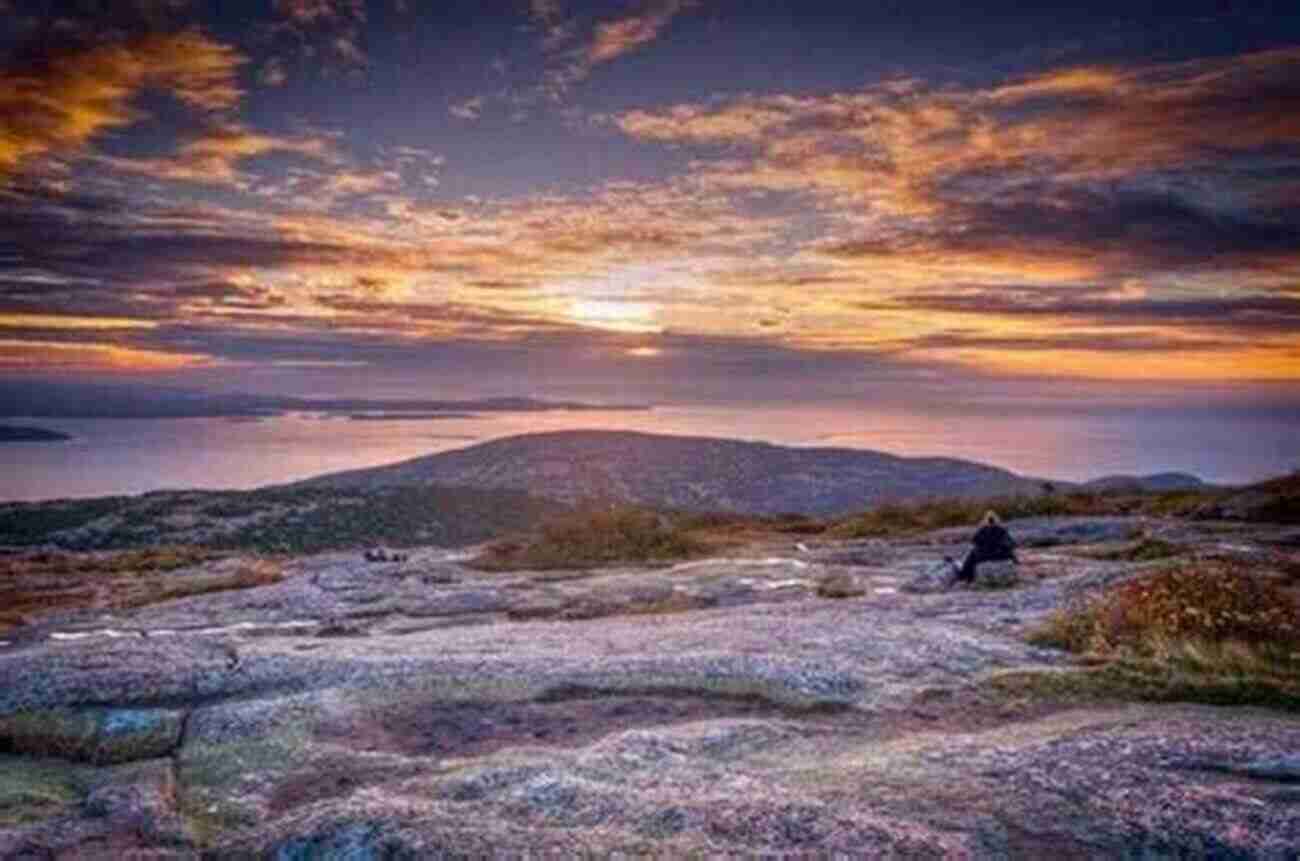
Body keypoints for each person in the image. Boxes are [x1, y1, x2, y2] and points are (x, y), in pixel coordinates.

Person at [955, 511, 1017, 584]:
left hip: (984, 556)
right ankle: (965, 576)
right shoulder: (1001, 530)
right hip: (1000, 555)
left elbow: (974, 541)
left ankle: (965, 576)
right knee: (1010, 553)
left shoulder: (983, 530)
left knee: (972, 554)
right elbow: (1011, 544)